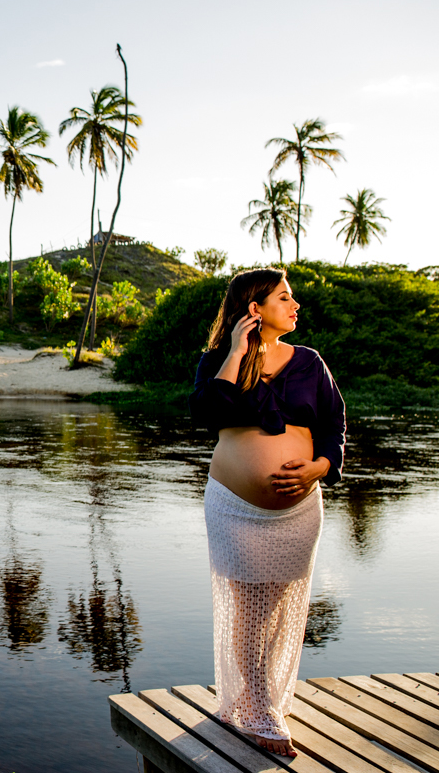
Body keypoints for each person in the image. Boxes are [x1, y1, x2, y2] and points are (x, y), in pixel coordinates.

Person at [189, 267, 345, 758]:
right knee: (249, 608)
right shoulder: (217, 359)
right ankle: (259, 707)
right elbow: (207, 415)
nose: (295, 306)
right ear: (255, 309)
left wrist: (317, 468)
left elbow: (335, 427)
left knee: (277, 611)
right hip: (234, 509)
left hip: (299, 512)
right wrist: (237, 352)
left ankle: (262, 697)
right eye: (285, 298)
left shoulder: (310, 362)